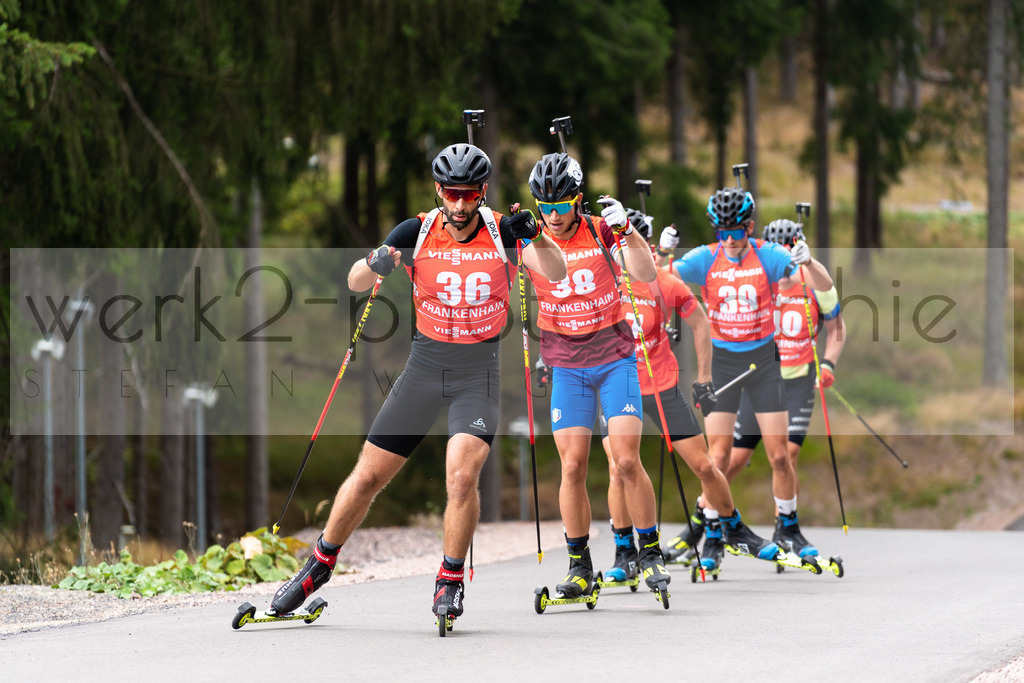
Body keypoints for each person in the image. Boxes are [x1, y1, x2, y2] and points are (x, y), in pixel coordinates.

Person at [270, 143, 566, 621]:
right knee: (367, 476)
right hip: (424, 368)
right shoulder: (417, 230)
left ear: (482, 193)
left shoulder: (503, 233)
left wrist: (539, 237)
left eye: (469, 195)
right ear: (439, 191)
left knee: (462, 474)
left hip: (477, 374)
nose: (460, 205)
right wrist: (377, 263)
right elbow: (353, 281)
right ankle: (318, 566)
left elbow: (556, 272)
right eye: (452, 194)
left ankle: (449, 580)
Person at [595, 211, 778, 582]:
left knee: (705, 465)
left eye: (636, 245)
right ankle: (625, 552)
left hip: (662, 386)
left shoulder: (663, 282)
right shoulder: (600, 285)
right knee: (619, 468)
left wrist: (705, 379)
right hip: (618, 390)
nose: (628, 253)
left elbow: (700, 322)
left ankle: (732, 526)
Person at [525, 152, 671, 599]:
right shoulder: (528, 240)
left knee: (626, 459)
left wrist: (627, 231)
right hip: (566, 366)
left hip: (614, 360)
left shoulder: (601, 229)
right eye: (544, 207)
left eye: (561, 206)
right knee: (572, 466)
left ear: (578, 200)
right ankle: (579, 566)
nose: (553, 216)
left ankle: (648, 553)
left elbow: (647, 274)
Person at [668, 185, 833, 572]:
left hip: (763, 363)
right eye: (722, 233)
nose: (731, 241)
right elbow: (657, 278)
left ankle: (787, 528)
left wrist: (809, 263)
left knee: (779, 454)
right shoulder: (705, 258)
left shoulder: (769, 254)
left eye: (738, 233)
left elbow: (823, 287)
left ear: (750, 227)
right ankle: (714, 533)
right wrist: (660, 251)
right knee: (718, 457)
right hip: (723, 365)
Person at [726, 218, 846, 560]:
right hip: (760, 381)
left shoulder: (812, 279)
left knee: (785, 455)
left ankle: (785, 526)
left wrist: (828, 364)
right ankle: (707, 522)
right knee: (734, 459)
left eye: (791, 253)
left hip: (798, 381)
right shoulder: (760, 278)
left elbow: (837, 327)